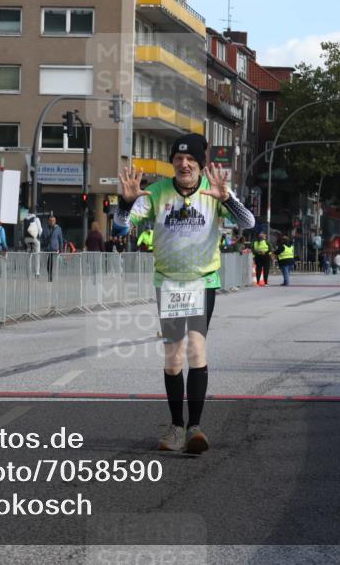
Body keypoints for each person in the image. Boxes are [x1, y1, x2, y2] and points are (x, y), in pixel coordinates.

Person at [115, 132, 255, 455]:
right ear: (172, 164)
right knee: (174, 357)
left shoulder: (215, 192)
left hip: (202, 281)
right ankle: (176, 426)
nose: (184, 164)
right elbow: (122, 227)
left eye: (191, 159)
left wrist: (227, 199)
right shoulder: (157, 193)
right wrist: (125, 203)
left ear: (200, 164)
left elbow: (248, 222)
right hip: (169, 284)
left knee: (196, 348)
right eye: (178, 159)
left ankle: (195, 427)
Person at [40, 215, 64, 282]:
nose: (52, 222)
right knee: (48, 263)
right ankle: (49, 275)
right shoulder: (45, 229)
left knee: (52, 263)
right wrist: (42, 245)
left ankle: (52, 275)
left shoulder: (58, 229)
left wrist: (61, 250)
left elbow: (60, 240)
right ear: (48, 221)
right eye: (50, 221)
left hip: (54, 249)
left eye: (53, 221)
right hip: (47, 249)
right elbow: (41, 239)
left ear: (55, 221)